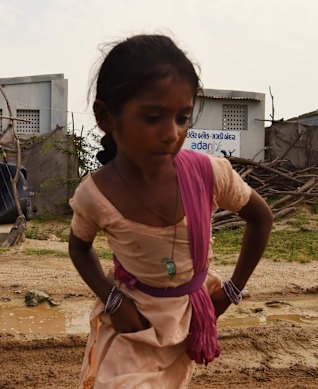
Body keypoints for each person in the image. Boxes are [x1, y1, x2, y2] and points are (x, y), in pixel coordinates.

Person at [68, 34, 273, 388]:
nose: (171, 133)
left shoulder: (210, 174)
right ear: (105, 117)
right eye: (152, 117)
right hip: (133, 327)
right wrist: (112, 299)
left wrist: (233, 289)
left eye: (182, 117)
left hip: (188, 321)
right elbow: (79, 247)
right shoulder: (95, 194)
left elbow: (261, 218)